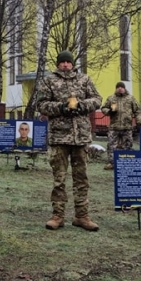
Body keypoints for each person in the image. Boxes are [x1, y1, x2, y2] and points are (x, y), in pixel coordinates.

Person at [37, 50, 102, 232]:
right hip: (59, 137)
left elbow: (97, 99)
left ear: (73, 64)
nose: (65, 65)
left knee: (81, 178)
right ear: (58, 64)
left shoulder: (84, 80)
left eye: (68, 62)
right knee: (59, 179)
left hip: (80, 137)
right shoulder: (49, 80)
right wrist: (61, 108)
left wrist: (82, 105)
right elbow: (41, 104)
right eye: (62, 62)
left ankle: (82, 216)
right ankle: (57, 215)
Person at [100, 81, 141, 170]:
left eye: (121, 87)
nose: (120, 88)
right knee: (112, 145)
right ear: (116, 89)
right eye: (118, 87)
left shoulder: (131, 99)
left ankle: (127, 162)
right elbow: (103, 108)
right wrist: (109, 111)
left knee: (128, 145)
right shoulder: (111, 98)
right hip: (114, 127)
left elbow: (137, 110)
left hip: (127, 127)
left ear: (124, 88)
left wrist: (139, 122)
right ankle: (112, 163)